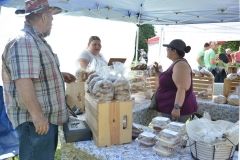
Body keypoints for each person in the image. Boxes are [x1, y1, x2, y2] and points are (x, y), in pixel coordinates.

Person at [2, 0, 76, 159]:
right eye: (51, 17)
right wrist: (37, 116)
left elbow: (33, 72)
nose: (52, 22)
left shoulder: (33, 40)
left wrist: (58, 74)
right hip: (35, 123)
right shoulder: (24, 41)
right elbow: (23, 81)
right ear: (43, 17)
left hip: (42, 122)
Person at [155, 39, 197, 122]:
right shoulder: (176, 63)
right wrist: (158, 72)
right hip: (168, 107)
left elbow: (182, 88)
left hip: (178, 110)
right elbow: (170, 81)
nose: (166, 50)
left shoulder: (181, 65)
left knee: (173, 133)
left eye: (168, 49)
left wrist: (177, 108)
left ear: (174, 50)